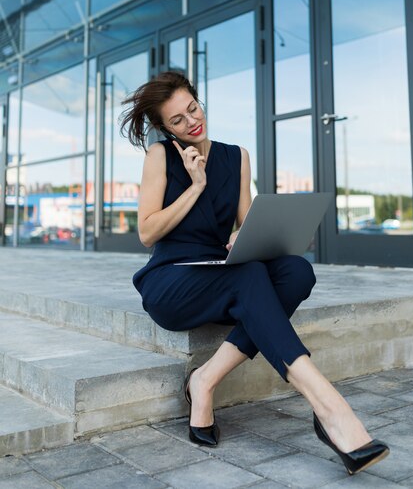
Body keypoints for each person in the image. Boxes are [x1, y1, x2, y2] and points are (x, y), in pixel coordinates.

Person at [119, 71, 389, 475]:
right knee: (248, 280)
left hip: (221, 272)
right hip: (171, 281)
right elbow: (146, 232)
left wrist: (244, 237)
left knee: (296, 271)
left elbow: (246, 222)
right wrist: (194, 186)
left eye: (193, 108)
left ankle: (205, 379)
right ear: (163, 127)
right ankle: (330, 408)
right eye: (177, 120)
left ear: (198, 99)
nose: (192, 121)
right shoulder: (160, 156)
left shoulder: (237, 156)